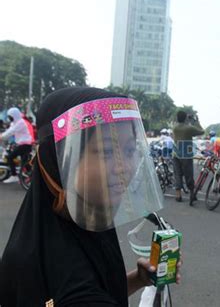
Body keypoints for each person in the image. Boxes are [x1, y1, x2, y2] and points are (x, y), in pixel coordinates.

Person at [0, 87, 180, 306]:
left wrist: (136, 279)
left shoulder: (86, 217)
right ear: (57, 160)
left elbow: (96, 287)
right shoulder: (46, 269)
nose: (125, 167)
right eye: (106, 151)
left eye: (131, 150)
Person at [172, 111, 204, 202]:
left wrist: (186, 119)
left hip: (175, 154)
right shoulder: (189, 128)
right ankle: (192, 194)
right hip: (186, 155)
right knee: (188, 174)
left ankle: (178, 195)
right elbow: (202, 131)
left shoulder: (174, 128)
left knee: (177, 174)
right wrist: (196, 121)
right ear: (185, 118)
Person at [0, 107, 35, 184]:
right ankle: (30, 178)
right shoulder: (15, 122)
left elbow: (11, 132)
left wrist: (1, 137)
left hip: (25, 144)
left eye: (10, 117)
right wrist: (2, 135)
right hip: (23, 144)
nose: (9, 118)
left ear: (14, 115)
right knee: (24, 163)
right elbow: (9, 131)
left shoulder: (21, 123)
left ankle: (14, 175)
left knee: (10, 157)